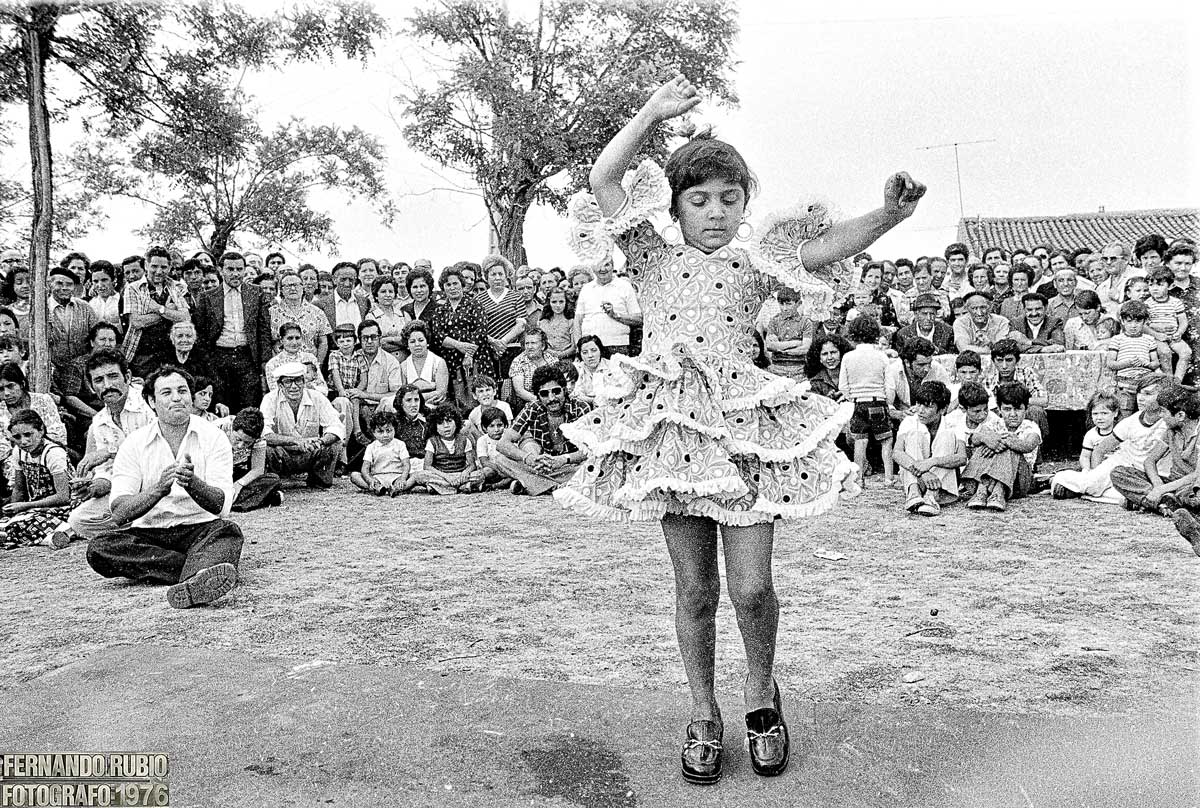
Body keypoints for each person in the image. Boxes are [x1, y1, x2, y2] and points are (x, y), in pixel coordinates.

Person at [555, 75, 924, 785]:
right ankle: (703, 711)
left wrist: (891, 214)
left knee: (751, 589)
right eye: (700, 200)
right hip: (671, 437)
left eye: (730, 198)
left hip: (744, 435)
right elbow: (604, 175)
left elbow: (831, 244)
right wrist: (652, 112)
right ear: (676, 205)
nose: (716, 213)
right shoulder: (649, 253)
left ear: (745, 203)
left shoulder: (756, 263)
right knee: (695, 590)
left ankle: (761, 693)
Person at [85, 366, 243, 609]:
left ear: (191, 397)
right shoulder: (134, 443)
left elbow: (221, 506)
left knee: (228, 532)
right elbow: (119, 513)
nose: (177, 398)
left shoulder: (214, 437)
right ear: (151, 401)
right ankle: (198, 570)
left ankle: (196, 573)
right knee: (100, 548)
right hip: (150, 533)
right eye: (166, 393)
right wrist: (158, 489)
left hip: (199, 528)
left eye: (182, 391)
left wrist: (193, 484)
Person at [64, 349, 157, 540]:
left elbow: (157, 447)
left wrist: (109, 451)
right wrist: (95, 486)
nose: (107, 385)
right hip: (129, 493)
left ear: (128, 377)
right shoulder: (99, 421)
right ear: (91, 386)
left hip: (157, 483)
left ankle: (142, 527)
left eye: (113, 376)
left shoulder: (148, 402)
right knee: (78, 520)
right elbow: (107, 471)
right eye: (99, 380)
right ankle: (143, 528)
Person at [1050, 374, 1168, 504]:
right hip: (1122, 465)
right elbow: (1100, 450)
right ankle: (1056, 479)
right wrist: (1097, 474)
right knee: (1091, 483)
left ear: (1164, 396)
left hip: (1146, 473)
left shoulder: (1169, 422)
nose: (1140, 398)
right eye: (1139, 393)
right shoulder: (1130, 422)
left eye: (1147, 394)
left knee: (1125, 493)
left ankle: (1080, 490)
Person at [493, 364, 590, 496]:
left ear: (564, 390)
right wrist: (529, 458)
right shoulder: (532, 408)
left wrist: (563, 459)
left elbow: (591, 449)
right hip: (541, 466)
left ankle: (533, 483)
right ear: (538, 396)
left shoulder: (580, 408)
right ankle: (556, 486)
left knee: (592, 467)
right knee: (500, 459)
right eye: (544, 394)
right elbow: (502, 444)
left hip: (571, 465)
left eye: (556, 391)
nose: (551, 398)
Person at [194, 251, 272, 412]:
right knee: (222, 404)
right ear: (221, 270)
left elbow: (263, 329)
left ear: (245, 270)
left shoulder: (256, 293)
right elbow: (200, 333)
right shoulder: (207, 296)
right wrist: (207, 360)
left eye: (239, 269)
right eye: (230, 269)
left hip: (247, 357)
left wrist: (265, 360)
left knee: (249, 404)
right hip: (219, 357)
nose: (235, 274)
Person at [1108, 384, 1200, 516]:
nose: (1161, 416)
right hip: (1172, 484)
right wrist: (1157, 485)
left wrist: (1162, 489)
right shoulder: (1171, 431)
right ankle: (1165, 503)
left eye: (1163, 411)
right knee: (1118, 474)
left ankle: (1149, 502)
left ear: (1180, 415)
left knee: (1197, 495)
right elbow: (1150, 461)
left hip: (1192, 486)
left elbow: (1197, 475)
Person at [261, 361, 345, 489]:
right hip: (283, 453)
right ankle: (275, 481)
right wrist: (295, 441)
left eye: (298, 381)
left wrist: (321, 442)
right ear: (280, 385)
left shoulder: (317, 397)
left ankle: (319, 480)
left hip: (310, 451)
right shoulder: (270, 399)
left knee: (334, 442)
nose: (294, 387)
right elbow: (264, 433)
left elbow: (335, 426)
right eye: (288, 382)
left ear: (304, 382)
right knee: (265, 447)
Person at [962, 381, 1042, 511]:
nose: (1013, 414)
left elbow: (1028, 445)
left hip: (1019, 480)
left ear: (1026, 409)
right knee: (987, 441)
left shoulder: (1031, 426)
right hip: (990, 473)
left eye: (1018, 409)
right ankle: (982, 492)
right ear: (999, 409)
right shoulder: (994, 424)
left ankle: (998, 492)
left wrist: (1003, 442)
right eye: (1007, 409)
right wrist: (987, 439)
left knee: (1011, 446)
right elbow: (975, 439)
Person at [1, 410, 73, 550]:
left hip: (61, 507)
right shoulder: (19, 452)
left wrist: (25, 506)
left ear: (41, 430)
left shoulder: (53, 453)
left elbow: (63, 497)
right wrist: (13, 509)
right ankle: (53, 536)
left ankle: (63, 531)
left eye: (28, 434)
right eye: (17, 437)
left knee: (23, 523)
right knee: (10, 522)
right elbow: (19, 489)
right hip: (36, 508)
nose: (24, 441)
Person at [893, 380, 966, 516]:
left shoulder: (953, 424)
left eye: (928, 406)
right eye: (919, 404)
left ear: (942, 409)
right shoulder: (910, 421)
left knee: (946, 436)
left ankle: (932, 496)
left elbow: (962, 458)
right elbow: (897, 453)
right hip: (917, 478)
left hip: (943, 483)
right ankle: (913, 492)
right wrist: (923, 472)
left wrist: (932, 462)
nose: (920, 410)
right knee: (915, 434)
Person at [839, 315, 896, 487]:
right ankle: (888, 478)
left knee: (859, 440)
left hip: (857, 402)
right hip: (877, 401)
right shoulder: (882, 357)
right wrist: (888, 402)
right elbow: (890, 386)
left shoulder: (848, 357)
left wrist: (853, 398)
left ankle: (859, 478)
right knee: (886, 441)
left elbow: (843, 386)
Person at [121, 247, 189, 379]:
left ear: (169, 267)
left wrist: (159, 308)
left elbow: (185, 317)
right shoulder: (133, 288)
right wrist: (169, 312)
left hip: (172, 351)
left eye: (163, 267)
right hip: (143, 354)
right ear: (146, 266)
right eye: (154, 266)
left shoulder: (176, 286)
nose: (159, 271)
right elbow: (136, 322)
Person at [429, 266, 490, 410]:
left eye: (455, 283)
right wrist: (459, 345)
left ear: (462, 284)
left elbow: (480, 331)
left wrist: (468, 354)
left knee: (478, 398)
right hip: (450, 361)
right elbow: (438, 336)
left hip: (475, 359)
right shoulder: (440, 309)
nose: (452, 287)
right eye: (448, 284)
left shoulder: (474, 304)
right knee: (454, 400)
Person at [572, 252, 642, 356]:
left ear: (613, 266)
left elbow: (639, 319)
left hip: (618, 346)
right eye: (598, 265)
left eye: (606, 264)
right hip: (591, 348)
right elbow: (577, 322)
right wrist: (579, 347)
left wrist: (615, 315)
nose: (602, 269)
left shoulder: (625, 286)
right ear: (592, 267)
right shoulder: (586, 288)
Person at [0, 362, 68, 465]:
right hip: (14, 462)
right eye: (1, 389)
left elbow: (59, 436)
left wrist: (15, 440)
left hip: (48, 455)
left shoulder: (43, 401)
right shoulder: (1, 411)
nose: (6, 393)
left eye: (11, 386)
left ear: (22, 384)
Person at [980, 339, 1050, 437]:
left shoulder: (1025, 373)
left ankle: (1036, 449)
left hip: (1024, 420)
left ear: (1017, 360)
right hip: (999, 422)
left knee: (1035, 411)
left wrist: (1017, 402)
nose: (1004, 366)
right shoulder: (989, 379)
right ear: (993, 361)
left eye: (1009, 360)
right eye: (999, 360)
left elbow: (1043, 400)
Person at [349, 319, 403, 441]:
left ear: (379, 338)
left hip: (380, 408)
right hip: (356, 408)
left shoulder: (391, 362)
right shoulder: (351, 359)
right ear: (359, 339)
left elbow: (396, 394)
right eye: (365, 338)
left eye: (373, 337)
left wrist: (365, 395)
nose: (369, 342)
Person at [1107, 300, 1161, 418]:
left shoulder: (1149, 339)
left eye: (1138, 321)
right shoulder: (1117, 339)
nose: (1133, 325)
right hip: (1125, 384)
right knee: (1124, 416)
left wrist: (1145, 364)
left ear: (1145, 321)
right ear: (1122, 321)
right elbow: (1110, 363)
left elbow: (1155, 363)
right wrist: (1128, 363)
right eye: (1129, 321)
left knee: (1147, 415)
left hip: (1144, 385)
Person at [47, 265, 100, 385]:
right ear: (50, 284)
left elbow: (96, 336)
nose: (65, 288)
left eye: (69, 284)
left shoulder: (85, 307)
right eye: (59, 283)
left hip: (82, 374)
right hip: (52, 373)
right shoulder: (41, 310)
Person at [477, 255, 528, 378]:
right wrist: (493, 342)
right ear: (486, 277)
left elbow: (521, 325)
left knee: (509, 386)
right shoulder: (478, 299)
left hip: (512, 349)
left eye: (501, 274)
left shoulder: (516, 297)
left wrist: (502, 343)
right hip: (487, 350)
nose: (497, 278)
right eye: (493, 274)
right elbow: (477, 326)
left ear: (506, 275)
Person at [413, 404, 482, 494]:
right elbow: (427, 466)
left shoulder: (464, 440)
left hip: (459, 474)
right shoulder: (432, 442)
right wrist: (446, 477)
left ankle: (439, 487)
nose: (446, 426)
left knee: (480, 474)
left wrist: (465, 473)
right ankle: (462, 486)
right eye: (441, 423)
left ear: (456, 423)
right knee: (420, 475)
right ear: (435, 427)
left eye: (449, 421)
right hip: (441, 475)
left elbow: (472, 465)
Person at [224, 407, 282, 511]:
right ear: (233, 428)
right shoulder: (217, 428)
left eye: (247, 443)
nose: (240, 445)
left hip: (236, 473)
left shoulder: (260, 436)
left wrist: (239, 484)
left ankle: (226, 501)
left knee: (273, 479)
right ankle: (263, 499)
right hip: (216, 472)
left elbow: (257, 469)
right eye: (238, 439)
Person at [269, 272, 332, 365]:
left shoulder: (317, 312)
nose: (293, 288)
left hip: (309, 367)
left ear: (303, 287)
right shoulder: (271, 313)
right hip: (281, 367)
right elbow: (268, 343)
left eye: (296, 285)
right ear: (281, 290)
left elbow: (323, 342)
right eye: (288, 286)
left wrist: (317, 365)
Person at [1144, 267, 1191, 382]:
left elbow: (1183, 322)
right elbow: (1144, 326)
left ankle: (1177, 381)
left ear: (1170, 286)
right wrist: (1157, 334)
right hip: (1156, 337)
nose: (1154, 288)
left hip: (1173, 336)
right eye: (1151, 285)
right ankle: (1168, 380)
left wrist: (1179, 333)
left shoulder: (1176, 302)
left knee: (1186, 352)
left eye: (1159, 285)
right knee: (1165, 352)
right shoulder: (1147, 304)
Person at [350, 410, 410, 496]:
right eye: (380, 431)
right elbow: (365, 468)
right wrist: (370, 480)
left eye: (389, 430)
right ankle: (378, 488)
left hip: (396, 476)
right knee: (354, 476)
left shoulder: (400, 444)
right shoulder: (371, 447)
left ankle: (396, 488)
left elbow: (406, 464)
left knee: (414, 477)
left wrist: (402, 478)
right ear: (373, 432)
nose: (385, 435)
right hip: (378, 477)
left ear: (394, 430)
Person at [763, 287, 813, 378]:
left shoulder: (805, 322)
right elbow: (770, 346)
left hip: (799, 370)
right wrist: (796, 343)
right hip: (776, 368)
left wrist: (780, 348)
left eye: (789, 304)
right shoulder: (774, 321)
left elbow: (805, 348)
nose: (784, 308)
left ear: (798, 304)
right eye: (781, 304)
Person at [398, 321, 449, 407]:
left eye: (421, 340)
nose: (417, 344)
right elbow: (402, 395)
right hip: (410, 407)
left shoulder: (439, 362)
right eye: (412, 341)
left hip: (434, 406)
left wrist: (413, 399)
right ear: (407, 345)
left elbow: (441, 393)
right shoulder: (403, 365)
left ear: (427, 342)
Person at [264, 323, 321, 392]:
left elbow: (323, 388)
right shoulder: (272, 364)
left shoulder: (310, 358)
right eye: (290, 338)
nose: (294, 342)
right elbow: (275, 393)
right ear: (281, 340)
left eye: (297, 338)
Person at [509, 327, 555, 410]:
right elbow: (519, 391)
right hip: (528, 404)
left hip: (553, 399)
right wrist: (541, 401)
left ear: (543, 346)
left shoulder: (551, 359)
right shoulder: (518, 361)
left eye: (533, 343)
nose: (529, 347)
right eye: (527, 343)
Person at [318, 262, 370, 330]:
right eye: (343, 279)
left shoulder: (365, 302)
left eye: (351, 280)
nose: (347, 284)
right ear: (334, 280)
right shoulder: (320, 305)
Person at [1077, 391, 1120, 472]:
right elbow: (1085, 456)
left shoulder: (1121, 431)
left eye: (1104, 413)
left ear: (1115, 413)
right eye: (1095, 414)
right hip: (1097, 470)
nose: (1099, 417)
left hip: (1117, 471)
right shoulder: (1091, 435)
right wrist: (1086, 469)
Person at [804, 334, 852, 400]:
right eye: (825, 354)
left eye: (833, 352)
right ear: (819, 358)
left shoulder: (851, 375)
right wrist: (827, 399)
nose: (829, 357)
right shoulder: (815, 382)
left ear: (841, 354)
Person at [475, 406, 511, 489]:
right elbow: (484, 462)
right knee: (486, 472)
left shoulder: (507, 437)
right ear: (484, 428)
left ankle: (493, 486)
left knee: (517, 473)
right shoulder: (482, 440)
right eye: (491, 426)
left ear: (505, 425)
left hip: (508, 470)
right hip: (494, 470)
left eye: (500, 425)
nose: (496, 429)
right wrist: (501, 470)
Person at [370, 276, 407, 355]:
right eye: (383, 292)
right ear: (376, 295)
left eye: (390, 291)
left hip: (404, 360)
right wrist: (399, 341)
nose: (387, 295)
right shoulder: (371, 317)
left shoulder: (403, 315)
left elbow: (409, 341)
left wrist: (388, 339)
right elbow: (376, 344)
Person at [537, 287, 576, 361]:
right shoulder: (542, 322)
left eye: (561, 302)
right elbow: (540, 343)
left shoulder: (571, 321)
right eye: (554, 302)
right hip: (546, 359)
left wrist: (560, 355)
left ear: (566, 302)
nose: (558, 305)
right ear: (549, 302)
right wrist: (551, 353)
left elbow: (574, 347)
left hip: (567, 359)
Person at [572, 335, 611, 406]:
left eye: (594, 350)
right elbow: (574, 394)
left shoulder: (611, 366)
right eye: (585, 352)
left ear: (600, 351)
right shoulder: (577, 368)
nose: (590, 355)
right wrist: (592, 401)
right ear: (580, 355)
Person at [86, 261, 122, 326]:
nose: (100, 285)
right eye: (95, 281)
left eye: (104, 280)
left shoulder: (122, 300)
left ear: (114, 280)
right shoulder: (90, 302)